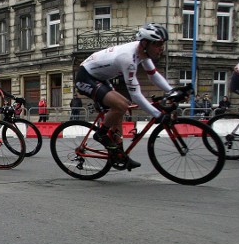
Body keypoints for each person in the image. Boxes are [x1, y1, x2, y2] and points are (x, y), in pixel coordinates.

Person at [74, 23, 177, 170]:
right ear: (145, 43)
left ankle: (119, 154)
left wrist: (172, 91)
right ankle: (101, 134)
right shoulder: (128, 59)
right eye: (159, 44)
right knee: (122, 105)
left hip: (101, 77)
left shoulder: (142, 52)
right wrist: (157, 114)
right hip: (86, 76)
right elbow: (136, 95)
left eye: (163, 44)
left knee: (122, 107)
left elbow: (153, 76)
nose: (162, 48)